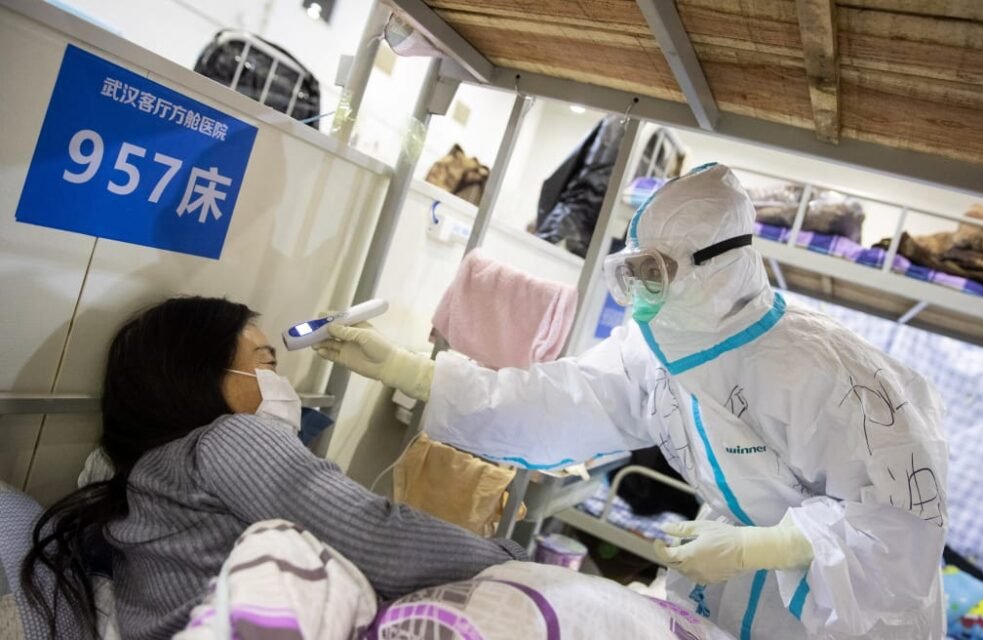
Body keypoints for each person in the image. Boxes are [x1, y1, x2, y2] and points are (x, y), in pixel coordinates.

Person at [316, 164, 950, 639]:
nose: (640, 292)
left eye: (655, 271)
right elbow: (561, 401)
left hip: (851, 614)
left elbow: (900, 524)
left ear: (716, 265)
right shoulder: (658, 348)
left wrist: (770, 547)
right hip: (730, 599)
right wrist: (414, 371)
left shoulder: (830, 371)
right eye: (634, 271)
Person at [21, 296, 524, 640]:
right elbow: (378, 535)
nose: (280, 384)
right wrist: (513, 562)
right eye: (266, 364)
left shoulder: (136, 481)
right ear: (200, 378)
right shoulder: (231, 437)